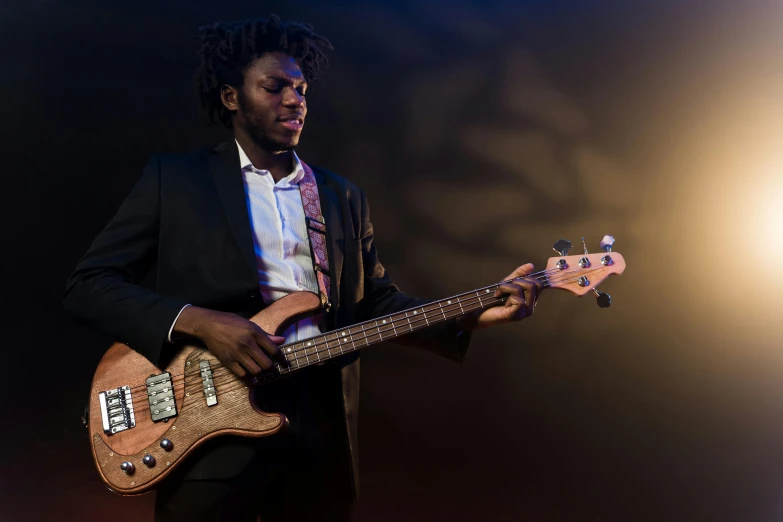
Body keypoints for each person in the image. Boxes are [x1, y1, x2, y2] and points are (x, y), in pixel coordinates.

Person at [63, 15, 543, 522]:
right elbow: (89, 285)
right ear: (231, 97)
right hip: (210, 433)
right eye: (275, 87)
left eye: (300, 88)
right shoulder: (176, 181)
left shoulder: (340, 197)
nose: (295, 100)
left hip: (321, 440)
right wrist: (201, 322)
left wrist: (473, 313)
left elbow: (374, 303)